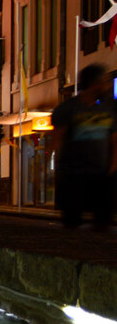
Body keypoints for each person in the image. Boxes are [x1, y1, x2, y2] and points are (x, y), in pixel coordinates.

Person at [50, 63, 117, 230]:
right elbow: (58, 139)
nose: (108, 85)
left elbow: (114, 140)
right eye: (105, 81)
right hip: (74, 175)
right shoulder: (68, 109)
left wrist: (113, 166)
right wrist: (57, 169)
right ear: (94, 83)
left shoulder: (109, 108)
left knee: (103, 224)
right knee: (72, 224)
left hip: (102, 175)